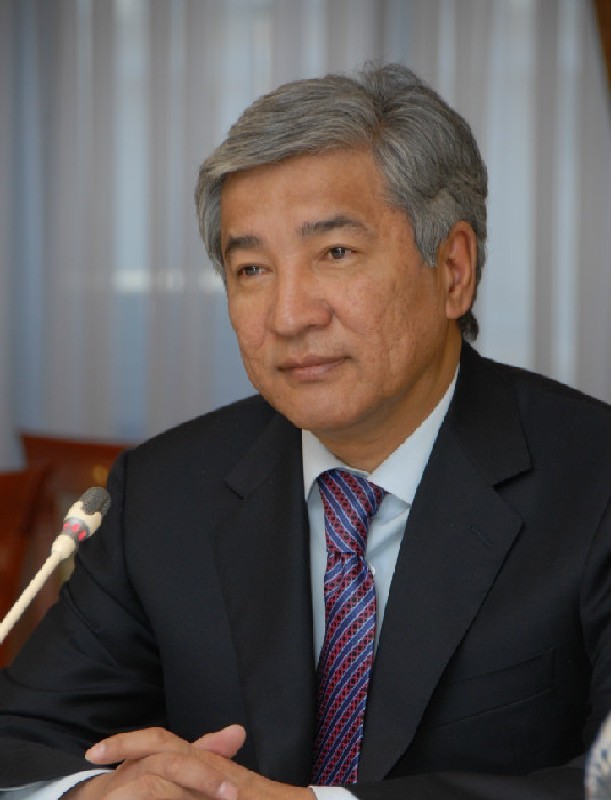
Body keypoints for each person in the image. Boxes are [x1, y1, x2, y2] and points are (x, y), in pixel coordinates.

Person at [0, 62, 610, 800]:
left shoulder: (594, 480)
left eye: (335, 254)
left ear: (452, 269)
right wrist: (91, 794)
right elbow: (20, 738)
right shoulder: (164, 492)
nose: (288, 316)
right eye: (251, 269)